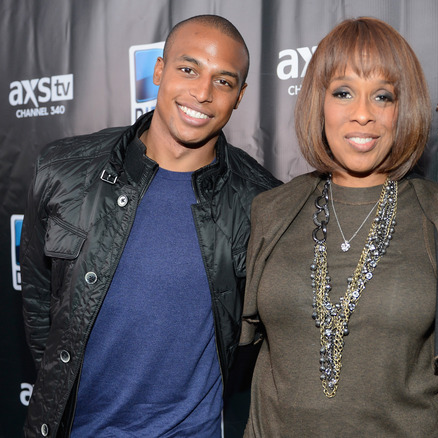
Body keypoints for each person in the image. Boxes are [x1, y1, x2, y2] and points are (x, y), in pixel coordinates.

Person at [20, 15, 279, 437]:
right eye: (188, 69)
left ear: (240, 96)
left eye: (224, 81)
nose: (202, 92)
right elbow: (37, 305)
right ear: (159, 71)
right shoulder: (64, 172)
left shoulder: (264, 204)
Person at [240, 17, 438, 436]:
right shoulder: (270, 212)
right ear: (318, 101)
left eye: (382, 96)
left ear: (404, 108)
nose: (362, 114)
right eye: (343, 92)